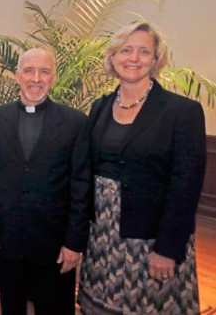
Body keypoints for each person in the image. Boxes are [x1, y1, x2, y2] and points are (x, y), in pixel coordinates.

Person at [77, 22, 206, 314]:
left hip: (151, 239)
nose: (133, 58)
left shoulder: (182, 112)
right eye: (126, 50)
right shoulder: (100, 107)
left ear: (155, 59)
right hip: (101, 237)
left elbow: (185, 187)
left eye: (143, 51)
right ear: (113, 57)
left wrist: (167, 249)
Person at [0, 48, 91, 315]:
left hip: (55, 242)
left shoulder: (76, 123)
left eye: (44, 71)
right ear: (17, 75)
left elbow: (81, 186)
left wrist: (75, 241)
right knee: (11, 307)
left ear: (54, 77)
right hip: (8, 237)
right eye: (29, 71)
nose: (36, 78)